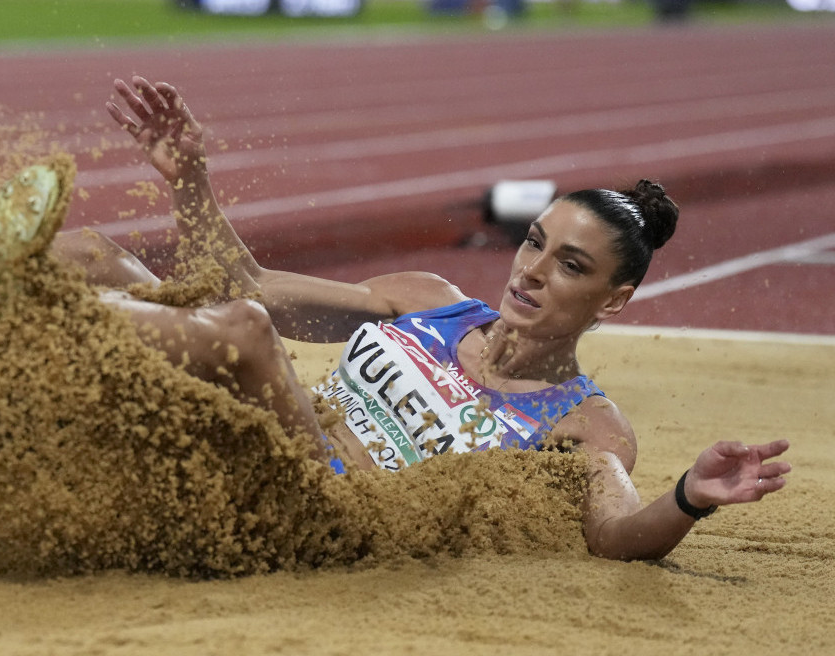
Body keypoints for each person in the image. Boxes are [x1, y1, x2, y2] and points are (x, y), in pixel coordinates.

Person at [49, 75, 792, 563]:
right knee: (96, 256)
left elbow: (614, 536)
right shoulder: (427, 300)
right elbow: (247, 283)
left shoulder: (588, 427)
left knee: (242, 331)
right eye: (534, 242)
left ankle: (40, 321)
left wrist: (691, 496)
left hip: (324, 517)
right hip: (253, 449)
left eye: (570, 265)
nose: (531, 270)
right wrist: (189, 179)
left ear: (615, 297)